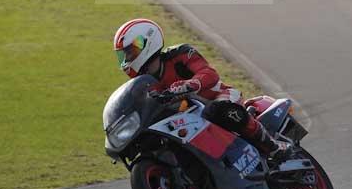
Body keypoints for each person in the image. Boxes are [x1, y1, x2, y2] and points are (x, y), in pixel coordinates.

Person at [113, 17, 291, 165]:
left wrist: (189, 85)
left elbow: (209, 74)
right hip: (189, 118)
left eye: (131, 51)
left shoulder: (180, 54)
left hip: (218, 96)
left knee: (218, 109)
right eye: (124, 55)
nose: (127, 58)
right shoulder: (145, 85)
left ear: (148, 41)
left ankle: (273, 146)